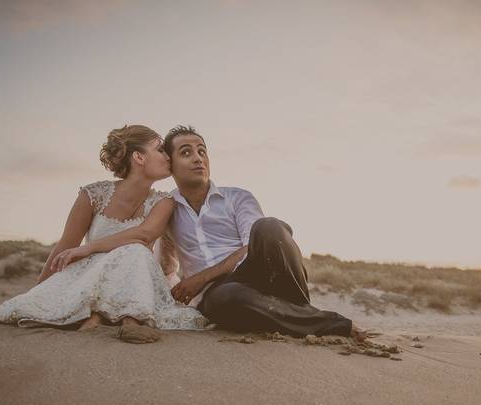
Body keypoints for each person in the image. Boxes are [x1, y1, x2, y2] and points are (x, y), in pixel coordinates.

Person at [0, 125, 208, 338]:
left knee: (133, 250)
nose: (167, 155)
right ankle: (96, 316)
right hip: (87, 275)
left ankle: (126, 320)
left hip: (134, 277)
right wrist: (38, 291)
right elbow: (64, 247)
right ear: (138, 157)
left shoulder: (164, 201)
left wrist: (89, 247)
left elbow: (144, 236)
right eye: (159, 148)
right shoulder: (93, 195)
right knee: (30, 305)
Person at [86, 125, 364, 339]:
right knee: (224, 297)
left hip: (267, 279)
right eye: (186, 152)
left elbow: (252, 246)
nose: (198, 158)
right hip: (223, 296)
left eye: (202, 151)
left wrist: (199, 278)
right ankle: (316, 321)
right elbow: (164, 268)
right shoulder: (166, 207)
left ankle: (304, 316)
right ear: (170, 164)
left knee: (268, 227)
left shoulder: (238, 198)